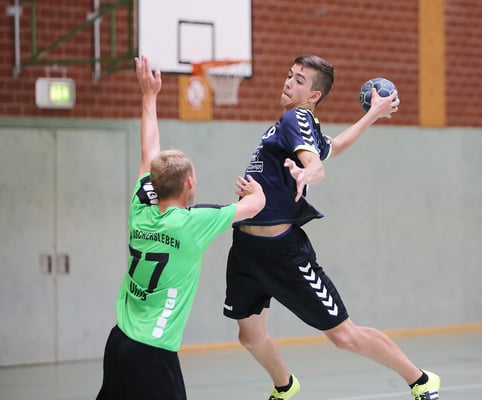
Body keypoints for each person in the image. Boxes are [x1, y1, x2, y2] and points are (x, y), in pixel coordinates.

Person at [223, 55, 441, 400]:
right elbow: (333, 148)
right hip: (246, 251)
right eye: (290, 75)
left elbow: (316, 165)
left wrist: (307, 172)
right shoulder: (295, 125)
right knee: (249, 336)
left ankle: (421, 379)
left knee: (344, 336)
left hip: (282, 254)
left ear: (313, 96)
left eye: (299, 80)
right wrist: (372, 114)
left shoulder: (295, 117)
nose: (288, 82)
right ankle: (285, 386)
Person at [96, 55, 265, 400]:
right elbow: (254, 207)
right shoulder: (192, 224)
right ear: (189, 182)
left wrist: (149, 96)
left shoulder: (140, 207)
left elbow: (149, 151)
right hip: (152, 351)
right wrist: (259, 190)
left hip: (119, 341)